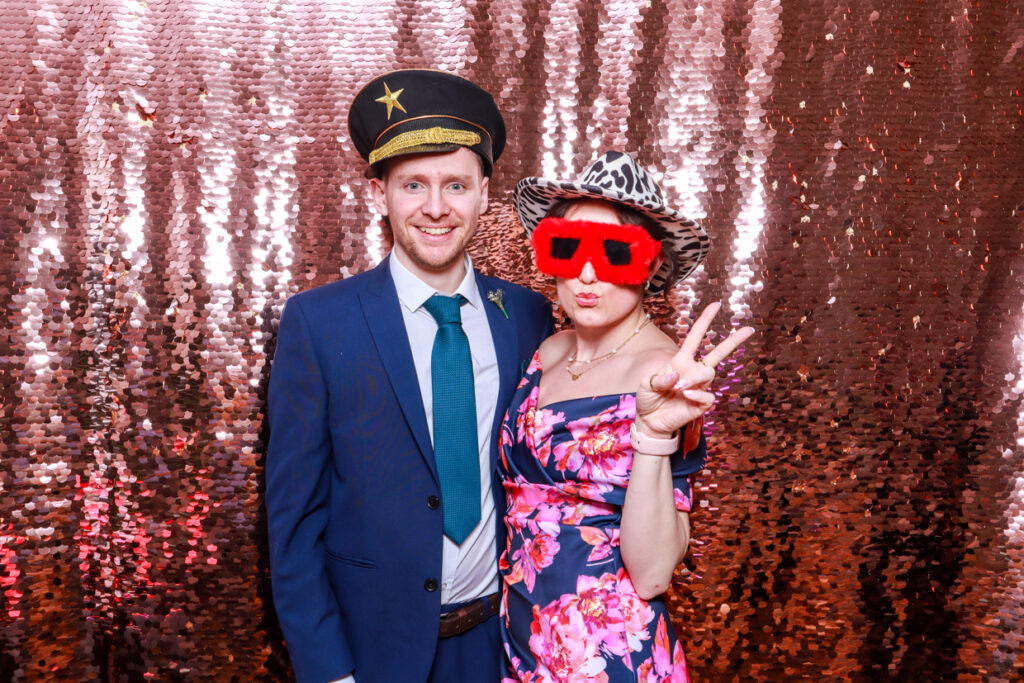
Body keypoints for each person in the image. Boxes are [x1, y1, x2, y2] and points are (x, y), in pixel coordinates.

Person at [265, 69, 553, 683]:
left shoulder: (529, 317)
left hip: (498, 646)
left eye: (456, 185)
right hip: (370, 655)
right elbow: (293, 521)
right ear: (379, 193)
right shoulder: (319, 323)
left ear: (482, 194)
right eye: (413, 184)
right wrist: (328, 671)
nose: (435, 208)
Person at [498, 151, 755, 681]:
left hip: (606, 650)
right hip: (519, 638)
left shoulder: (667, 373)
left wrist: (656, 434)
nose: (587, 273)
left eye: (614, 252)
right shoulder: (546, 351)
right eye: (568, 248)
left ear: (653, 264)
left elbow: (655, 573)